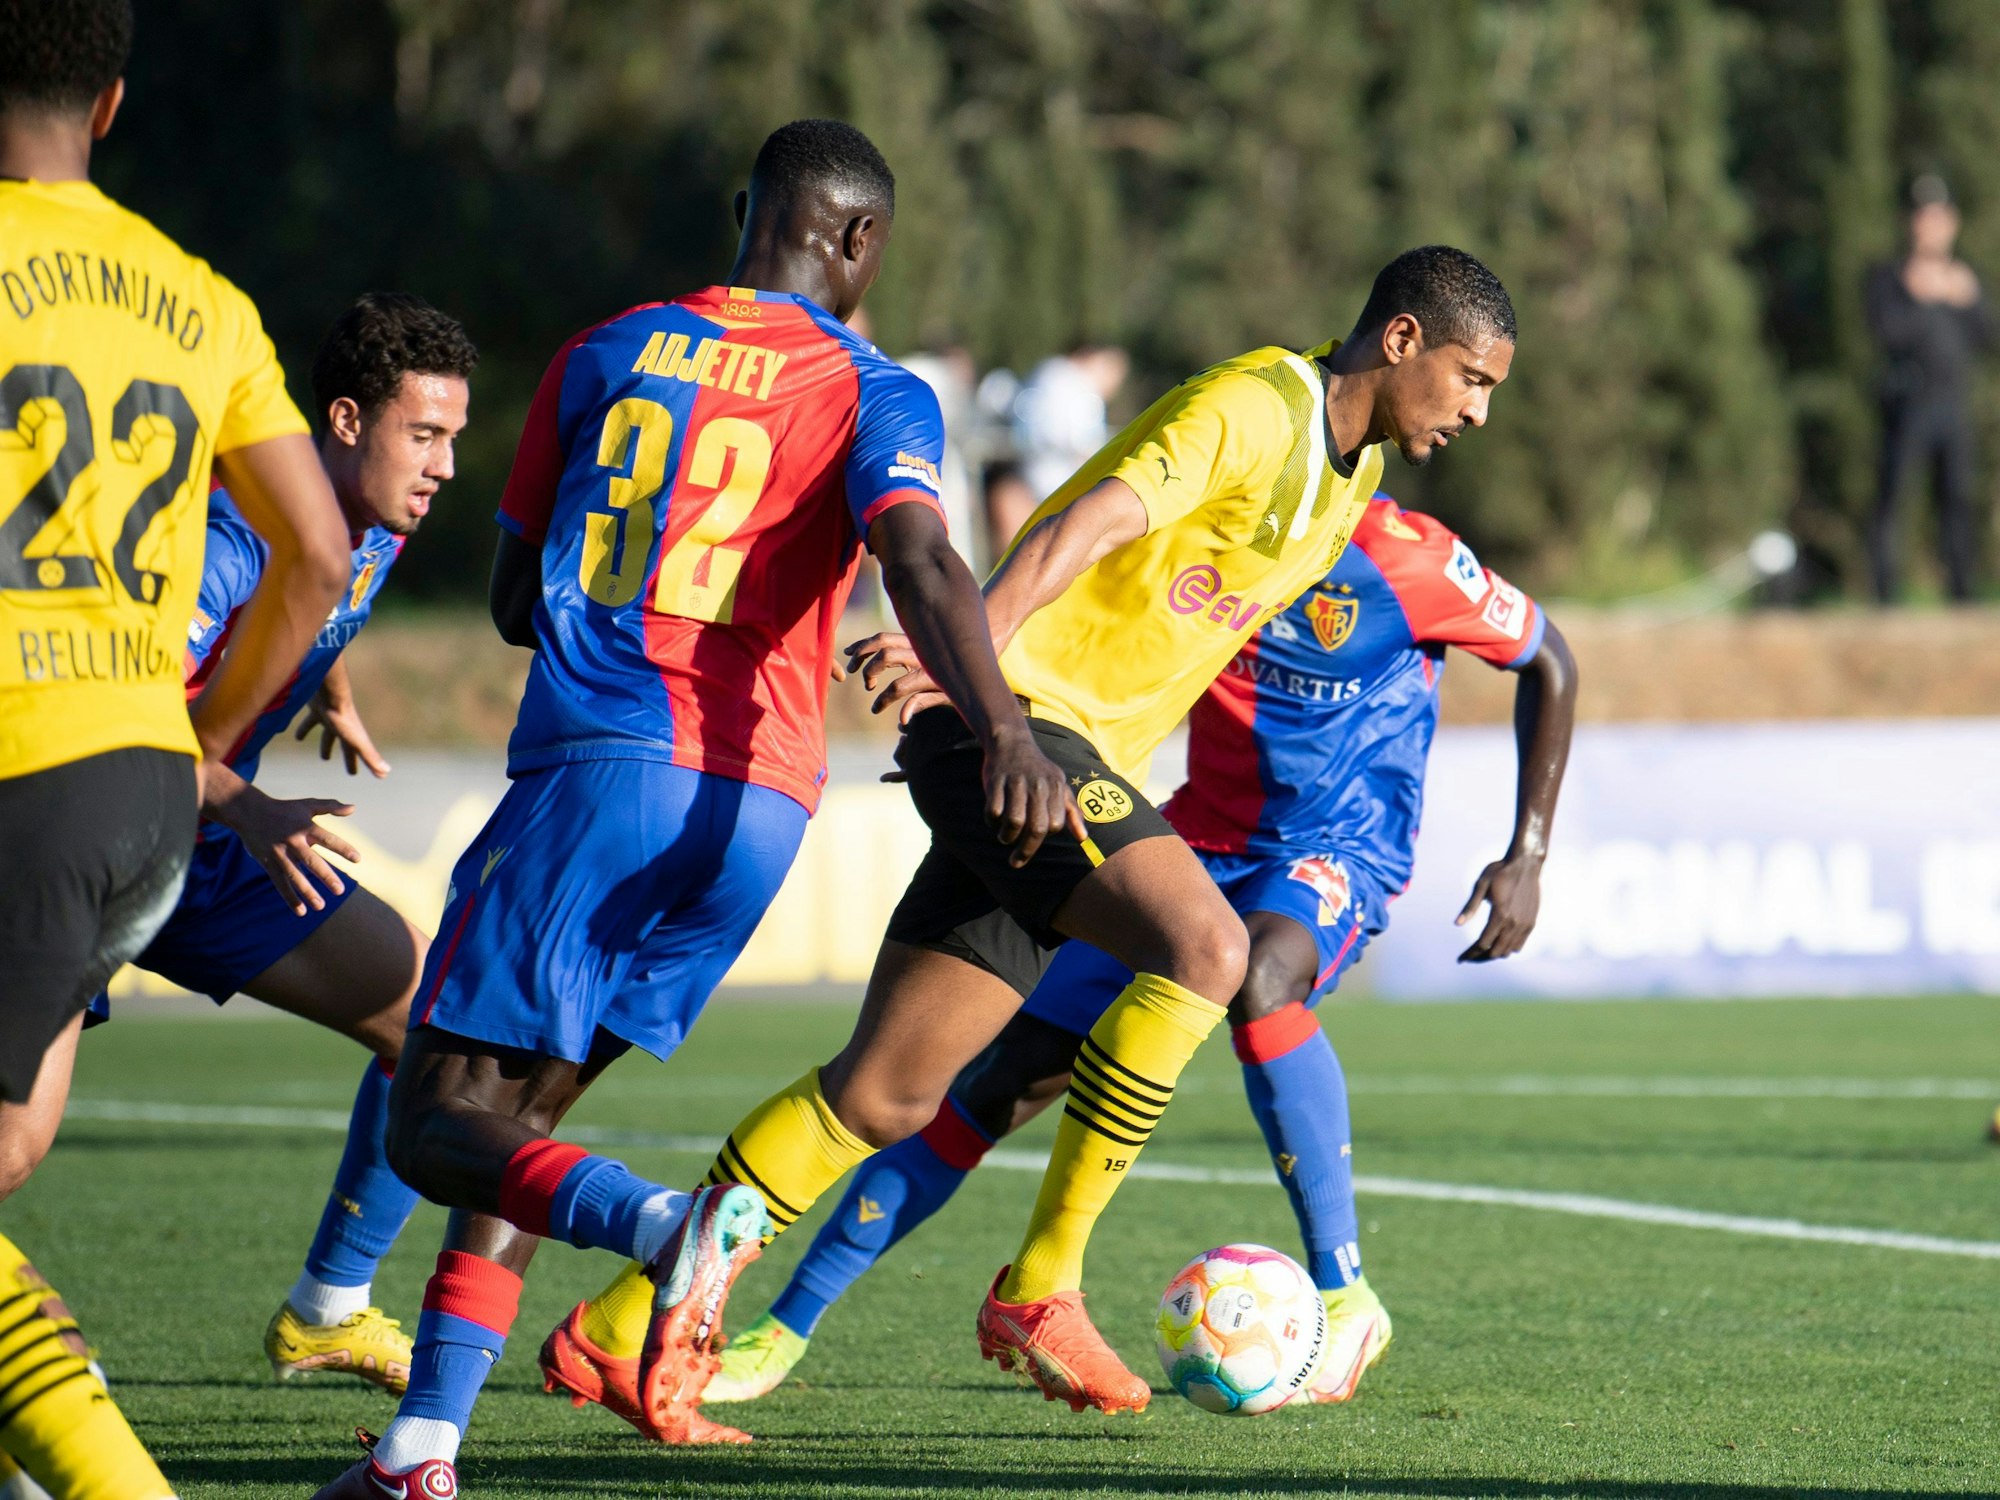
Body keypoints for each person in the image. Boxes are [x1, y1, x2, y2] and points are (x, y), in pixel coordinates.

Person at [591, 245, 1516, 1428]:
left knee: (882, 1094)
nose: (1475, 411)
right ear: (1400, 340)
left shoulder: (1352, 474)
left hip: (1048, 759)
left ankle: (610, 1326)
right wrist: (964, 660)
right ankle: (1042, 1283)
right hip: (1018, 733)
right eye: (1471, 379)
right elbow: (1084, 523)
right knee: (1207, 950)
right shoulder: (1258, 407)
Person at [311, 119, 1071, 1498]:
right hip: (756, 810)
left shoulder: (603, 351)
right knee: (516, 1127)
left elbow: (511, 602)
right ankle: (423, 1451)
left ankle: (671, 1226)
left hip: (601, 773)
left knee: (433, 1122)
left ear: (743, 213)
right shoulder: (875, 388)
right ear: (860, 241)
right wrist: (1003, 729)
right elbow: (919, 557)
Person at [704, 492, 1577, 1406]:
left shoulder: (1409, 559)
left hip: (1337, 849)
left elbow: (1550, 658)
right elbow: (1072, 616)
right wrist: (969, 723)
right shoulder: (1210, 535)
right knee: (1000, 1079)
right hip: (1194, 840)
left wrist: (1528, 853)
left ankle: (1345, 1291)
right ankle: (784, 1328)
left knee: (1259, 974)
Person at [0, 1, 353, 1492]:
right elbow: (317, 555)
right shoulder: (198, 298)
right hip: (142, 789)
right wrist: (195, 735)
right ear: (112, 102)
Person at [73, 294, 476, 1395]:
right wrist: (247, 806)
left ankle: (328, 1310)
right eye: (424, 435)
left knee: (435, 1025)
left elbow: (317, 606)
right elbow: (122, 721)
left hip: (202, 841)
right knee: (17, 1143)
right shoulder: (228, 536)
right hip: (86, 832)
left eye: (452, 437)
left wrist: (325, 684)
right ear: (344, 421)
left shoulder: (378, 518)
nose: (444, 466)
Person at [1866, 174, 1995, 603]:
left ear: (1952, 223)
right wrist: (1920, 297)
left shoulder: (1965, 279)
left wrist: (1967, 298)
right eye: (1923, 217)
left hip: (1953, 402)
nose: (1930, 226)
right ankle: (1885, 595)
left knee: (1957, 498)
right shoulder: (1891, 278)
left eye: (1939, 217)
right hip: (1908, 400)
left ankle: (1961, 593)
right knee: (1894, 496)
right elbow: (1886, 334)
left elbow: (1989, 338)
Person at [1012, 342, 1129, 502]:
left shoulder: (1049, 372)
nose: (1114, 384)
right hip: (1057, 484)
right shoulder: (1077, 386)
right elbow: (1083, 445)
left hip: (1033, 478)